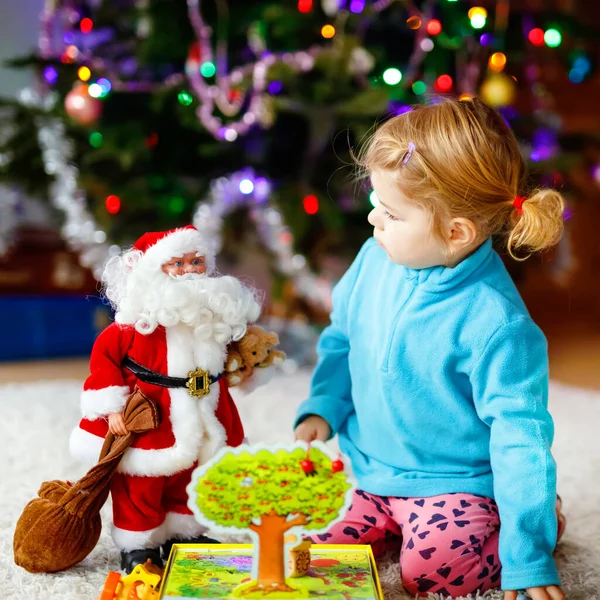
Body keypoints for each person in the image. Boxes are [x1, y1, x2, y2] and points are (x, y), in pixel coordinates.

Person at [294, 98, 566, 600]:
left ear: (455, 233)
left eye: (392, 213)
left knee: (433, 575)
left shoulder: (497, 323)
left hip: (454, 483)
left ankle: (529, 516)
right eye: (376, 202)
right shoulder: (373, 258)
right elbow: (341, 338)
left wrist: (528, 555)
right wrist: (324, 406)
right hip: (370, 470)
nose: (374, 218)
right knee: (306, 552)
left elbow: (521, 439)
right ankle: (394, 521)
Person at [69, 225, 261, 572]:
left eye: (197, 262)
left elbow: (231, 354)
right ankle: (138, 544)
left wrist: (242, 366)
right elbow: (104, 361)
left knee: (189, 476)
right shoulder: (131, 326)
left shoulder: (211, 317)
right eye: (178, 263)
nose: (189, 270)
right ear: (153, 272)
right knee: (141, 483)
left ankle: (182, 534)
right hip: (151, 417)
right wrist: (110, 407)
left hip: (203, 409)